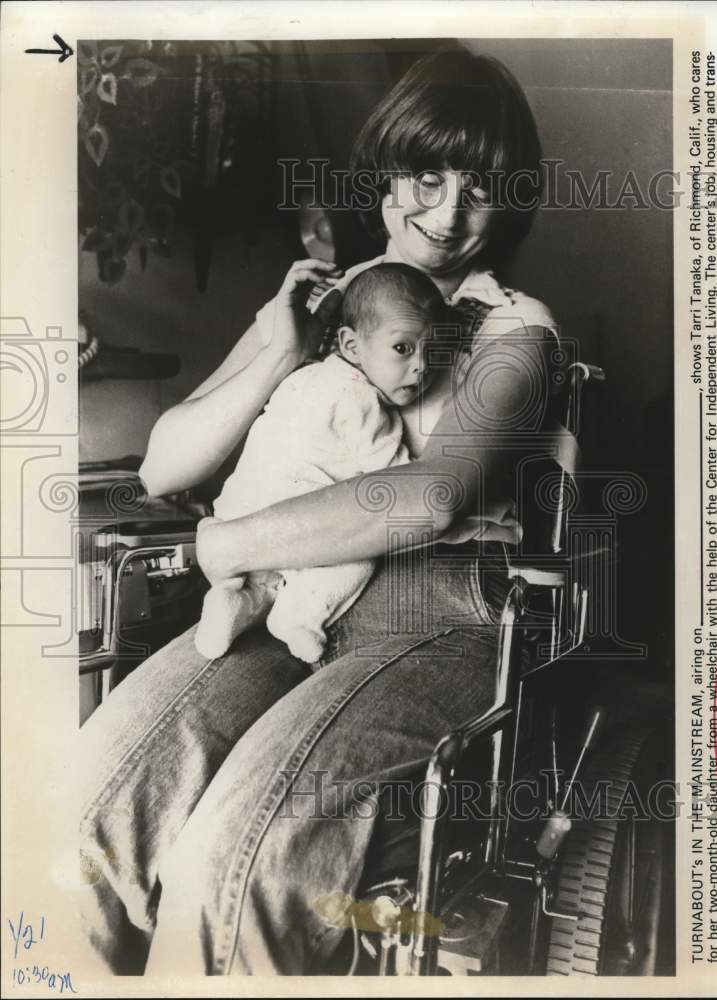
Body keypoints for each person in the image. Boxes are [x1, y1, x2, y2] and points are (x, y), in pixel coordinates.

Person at [80, 46, 559, 975]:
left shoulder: (514, 329)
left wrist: (228, 542)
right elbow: (163, 461)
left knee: (239, 860)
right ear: (385, 177)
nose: (451, 210)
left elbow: (431, 497)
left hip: (434, 612)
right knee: (88, 811)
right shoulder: (326, 302)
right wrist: (276, 353)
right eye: (426, 175)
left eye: (481, 187)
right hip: (289, 600)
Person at [194, 264, 446, 663]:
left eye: (434, 352)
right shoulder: (362, 402)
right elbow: (398, 482)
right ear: (351, 345)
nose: (421, 366)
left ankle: (235, 601)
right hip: (294, 523)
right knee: (360, 553)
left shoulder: (303, 378)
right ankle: (299, 617)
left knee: (263, 581)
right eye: (404, 348)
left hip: (237, 514)